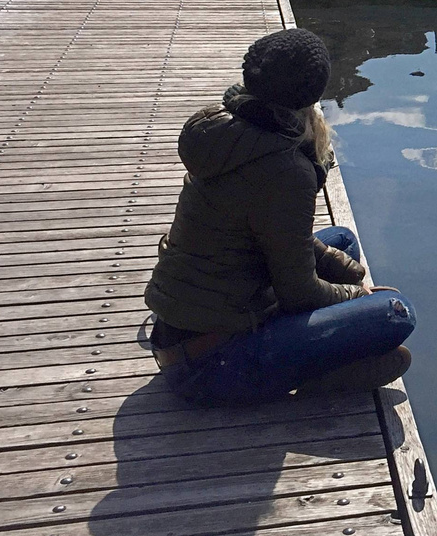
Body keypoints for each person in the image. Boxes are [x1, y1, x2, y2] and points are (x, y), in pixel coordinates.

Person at [144, 27, 414, 406]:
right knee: (397, 314)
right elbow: (299, 293)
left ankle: (323, 353)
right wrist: (357, 294)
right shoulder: (285, 169)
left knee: (343, 241)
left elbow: (277, 232)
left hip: (182, 331)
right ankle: (313, 373)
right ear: (312, 94)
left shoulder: (226, 126)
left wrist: (344, 272)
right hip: (209, 365)